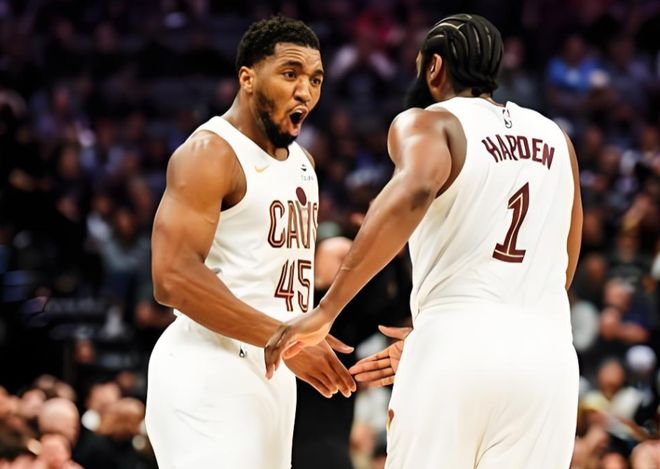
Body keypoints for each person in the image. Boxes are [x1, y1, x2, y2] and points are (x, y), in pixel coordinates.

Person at [265, 13, 583, 469]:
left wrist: (327, 310)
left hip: (456, 346)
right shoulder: (557, 138)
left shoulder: (430, 122)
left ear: (434, 67)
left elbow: (414, 191)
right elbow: (562, 265)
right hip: (549, 355)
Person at [145, 16, 355, 469]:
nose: (305, 91)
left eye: (315, 79)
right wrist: (283, 338)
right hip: (209, 365)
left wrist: (291, 339)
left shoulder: (303, 162)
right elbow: (172, 276)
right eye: (290, 73)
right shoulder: (210, 153)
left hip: (272, 370)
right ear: (247, 78)